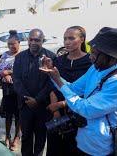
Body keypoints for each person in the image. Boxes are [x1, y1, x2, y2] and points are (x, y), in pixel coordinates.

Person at [40, 27, 117, 156]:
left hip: (100, 146)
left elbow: (86, 108)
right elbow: (73, 89)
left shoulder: (116, 81)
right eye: (91, 52)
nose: (91, 57)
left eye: (94, 53)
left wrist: (59, 83)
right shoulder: (95, 69)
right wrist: (54, 75)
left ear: (110, 56)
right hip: (84, 141)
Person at [45, 26, 92, 156]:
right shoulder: (58, 60)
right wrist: (55, 111)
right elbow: (52, 85)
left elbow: (86, 91)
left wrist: (63, 104)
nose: (67, 42)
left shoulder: (90, 62)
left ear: (82, 39)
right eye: (65, 38)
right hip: (57, 115)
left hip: (79, 114)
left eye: (71, 38)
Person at [13, 28, 56, 156]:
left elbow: (52, 82)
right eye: (30, 39)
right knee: (26, 137)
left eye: (37, 40)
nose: (33, 42)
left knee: (41, 138)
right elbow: (16, 80)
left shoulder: (51, 57)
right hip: (25, 106)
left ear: (42, 41)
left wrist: (37, 99)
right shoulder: (20, 57)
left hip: (43, 106)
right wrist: (27, 98)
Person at [0, 30, 21, 150]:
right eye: (9, 44)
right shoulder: (4, 55)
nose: (11, 46)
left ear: (19, 42)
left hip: (20, 89)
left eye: (13, 44)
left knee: (18, 115)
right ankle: (7, 136)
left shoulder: (23, 55)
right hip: (7, 89)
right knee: (8, 115)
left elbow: (24, 70)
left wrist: (10, 72)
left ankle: (17, 137)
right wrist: (3, 74)